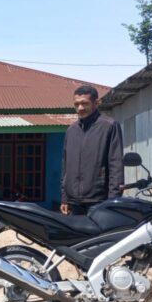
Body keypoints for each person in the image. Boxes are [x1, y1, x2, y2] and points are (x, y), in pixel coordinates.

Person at [61, 84, 124, 215]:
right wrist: (64, 198)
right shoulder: (71, 131)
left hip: (99, 201)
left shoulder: (109, 126)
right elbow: (66, 166)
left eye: (85, 103)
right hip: (74, 202)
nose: (80, 108)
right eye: (76, 104)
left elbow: (116, 165)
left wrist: (113, 200)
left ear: (96, 103)